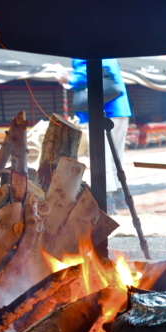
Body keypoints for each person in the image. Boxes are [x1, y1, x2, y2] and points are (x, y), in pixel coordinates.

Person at [58, 58, 132, 215]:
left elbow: (89, 71)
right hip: (121, 108)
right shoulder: (111, 53)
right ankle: (120, 198)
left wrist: (68, 78)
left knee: (101, 157)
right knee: (116, 156)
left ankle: (107, 202)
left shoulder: (82, 49)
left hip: (103, 110)